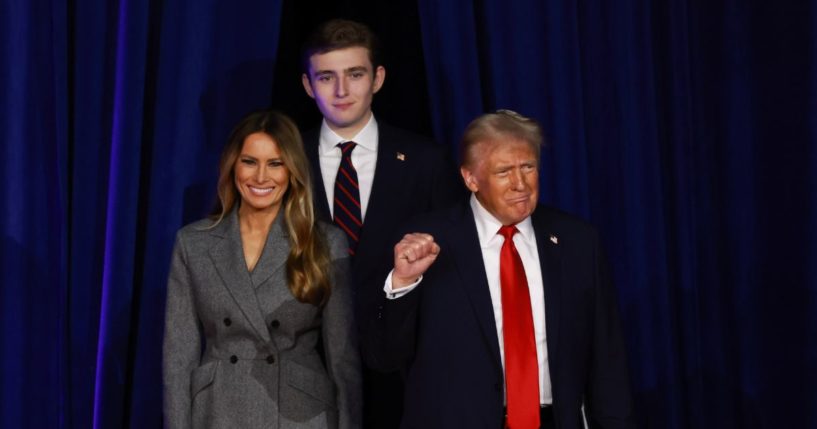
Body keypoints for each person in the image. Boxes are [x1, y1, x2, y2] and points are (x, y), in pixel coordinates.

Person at [364, 110, 636, 429]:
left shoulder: (578, 241)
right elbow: (383, 356)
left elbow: (607, 361)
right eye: (504, 171)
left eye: (528, 167)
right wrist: (403, 283)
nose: (520, 184)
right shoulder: (426, 241)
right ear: (470, 178)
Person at [299, 19, 463, 428]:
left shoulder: (426, 161)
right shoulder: (284, 161)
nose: (341, 91)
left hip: (402, 373)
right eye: (326, 77)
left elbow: (451, 270)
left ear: (378, 78)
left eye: (355, 74)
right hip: (303, 376)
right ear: (307, 85)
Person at [163, 110, 361, 429]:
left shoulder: (324, 242)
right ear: (232, 165)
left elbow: (343, 359)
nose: (260, 178)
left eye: (275, 163)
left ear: (292, 170)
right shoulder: (193, 243)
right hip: (218, 411)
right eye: (249, 161)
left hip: (301, 414)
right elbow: (178, 359)